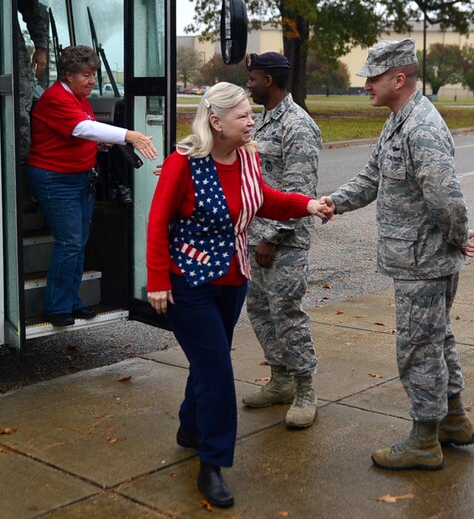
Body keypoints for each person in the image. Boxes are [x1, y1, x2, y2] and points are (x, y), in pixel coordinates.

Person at [146, 82, 332, 507]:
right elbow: (158, 221)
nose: (253, 121)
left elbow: (262, 200)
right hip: (188, 284)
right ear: (217, 121)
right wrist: (156, 279)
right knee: (216, 372)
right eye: (244, 115)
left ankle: (190, 428)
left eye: (252, 114)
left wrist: (307, 206)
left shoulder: (247, 158)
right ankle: (211, 464)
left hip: (233, 282)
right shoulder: (185, 162)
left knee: (207, 362)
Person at [319, 39, 474, 471]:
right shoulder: (399, 120)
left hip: (423, 261)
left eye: (372, 78)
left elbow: (448, 199)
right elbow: (373, 175)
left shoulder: (420, 127)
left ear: (399, 78)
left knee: (417, 348)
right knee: (437, 338)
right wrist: (335, 201)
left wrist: (457, 237)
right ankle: (454, 420)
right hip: (419, 258)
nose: (366, 85)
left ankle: (424, 441)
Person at [28, 45, 157, 327]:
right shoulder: (56, 98)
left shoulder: (78, 97)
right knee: (70, 242)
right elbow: (82, 128)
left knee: (78, 242)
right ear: (68, 75)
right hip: (55, 180)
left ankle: (71, 301)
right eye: (86, 75)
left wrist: (103, 139)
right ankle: (57, 306)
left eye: (93, 74)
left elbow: (86, 126)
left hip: (77, 179)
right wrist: (130, 136)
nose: (91, 81)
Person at [242, 52, 323, 429]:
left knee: (287, 315)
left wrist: (272, 238)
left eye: (253, 78)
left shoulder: (298, 125)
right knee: (259, 310)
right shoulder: (260, 122)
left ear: (269, 81)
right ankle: (280, 380)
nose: (249, 84)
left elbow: (299, 190)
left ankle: (306, 389)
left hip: (283, 241)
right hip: (254, 235)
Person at [17, 0, 49, 162]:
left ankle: (21, 166)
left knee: (20, 110)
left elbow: (32, 11)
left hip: (10, 50)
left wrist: (41, 47)